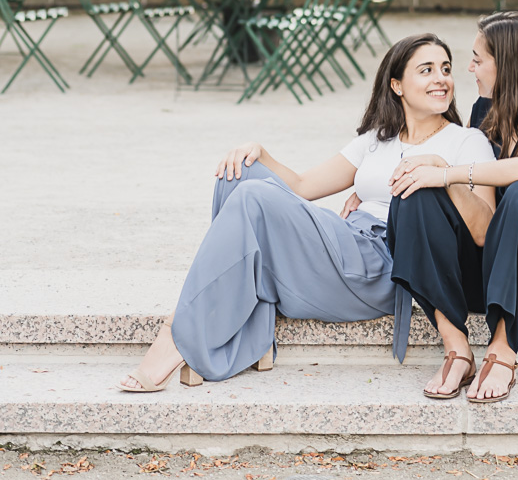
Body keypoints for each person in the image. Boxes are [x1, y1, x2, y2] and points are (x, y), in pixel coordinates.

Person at [117, 33, 494, 392]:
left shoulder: (466, 141)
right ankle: (249, 328)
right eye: (426, 70)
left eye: (445, 68)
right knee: (240, 175)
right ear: (396, 85)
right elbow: (301, 187)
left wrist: (445, 176)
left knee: (253, 198)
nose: (441, 79)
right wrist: (260, 153)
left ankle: (177, 334)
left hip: (385, 263)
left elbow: (485, 230)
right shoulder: (376, 140)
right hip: (350, 241)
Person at [387, 11, 518, 403]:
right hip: (495, 269)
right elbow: (479, 216)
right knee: (418, 187)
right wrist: (435, 174)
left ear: (507, 62)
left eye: (477, 59)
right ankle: (457, 348)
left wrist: (453, 172)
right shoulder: (485, 110)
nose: (468, 68)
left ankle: (503, 350)